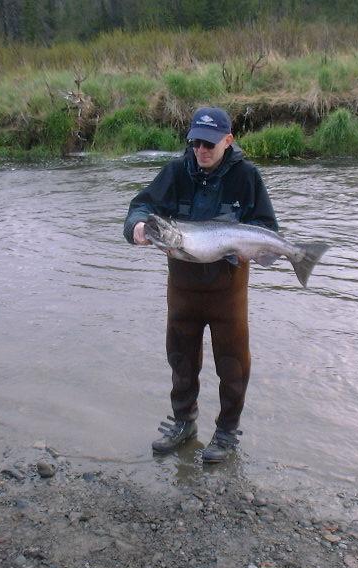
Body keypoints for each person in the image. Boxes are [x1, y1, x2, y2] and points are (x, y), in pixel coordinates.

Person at [123, 106, 278, 462]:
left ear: (228, 140)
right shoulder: (175, 172)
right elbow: (139, 206)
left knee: (233, 364)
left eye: (209, 143)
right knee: (180, 359)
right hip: (183, 291)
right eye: (195, 142)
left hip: (228, 292)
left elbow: (268, 227)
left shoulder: (247, 176)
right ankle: (183, 424)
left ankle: (226, 433)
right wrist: (137, 228)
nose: (201, 150)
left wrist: (251, 250)